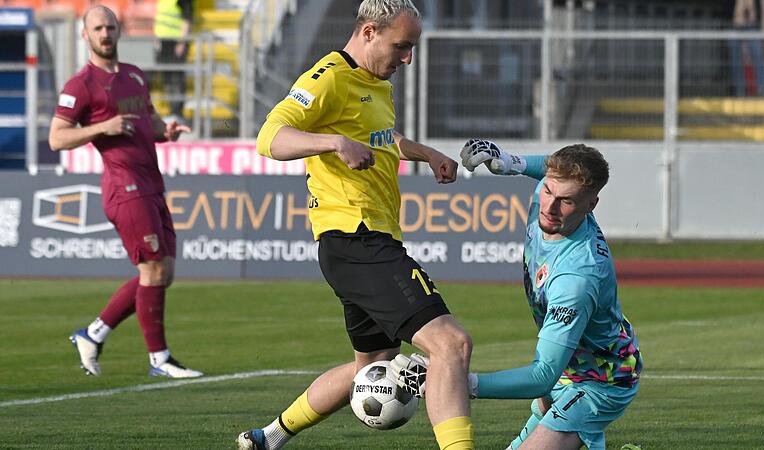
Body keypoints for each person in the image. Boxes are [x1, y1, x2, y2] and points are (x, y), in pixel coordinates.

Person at [236, 1, 474, 449]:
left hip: (364, 240)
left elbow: (383, 139)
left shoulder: (375, 83)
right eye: (401, 47)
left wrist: (427, 153)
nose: (408, 59)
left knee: (370, 368)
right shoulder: (328, 77)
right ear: (368, 32)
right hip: (356, 237)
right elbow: (269, 136)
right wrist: (332, 142)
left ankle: (268, 437)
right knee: (451, 345)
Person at [391, 141, 643, 450]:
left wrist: (458, 382)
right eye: (548, 191)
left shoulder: (577, 278)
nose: (549, 208)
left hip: (601, 381)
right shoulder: (548, 195)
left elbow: (541, 377)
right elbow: (548, 170)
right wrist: (510, 162)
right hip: (568, 369)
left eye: (565, 201)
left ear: (591, 205)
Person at [49, 5, 202, 379]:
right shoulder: (80, 85)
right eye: (98, 28)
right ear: (85, 35)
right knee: (151, 268)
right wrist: (101, 128)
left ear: (119, 31)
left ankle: (93, 334)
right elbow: (57, 137)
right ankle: (159, 359)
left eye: (110, 27)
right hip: (124, 187)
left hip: (152, 183)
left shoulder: (133, 75)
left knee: (162, 270)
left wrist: (164, 131)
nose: (105, 33)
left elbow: (145, 121)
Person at [153, 0, 192, 122]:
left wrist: (182, 42)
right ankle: (171, 112)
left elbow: (187, 18)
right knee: (167, 79)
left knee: (177, 79)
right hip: (163, 42)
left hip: (176, 43)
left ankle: (178, 113)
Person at [729, 0, 764, 96]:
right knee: (735, 59)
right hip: (735, 26)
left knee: (758, 56)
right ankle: (739, 89)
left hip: (752, 27)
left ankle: (761, 88)